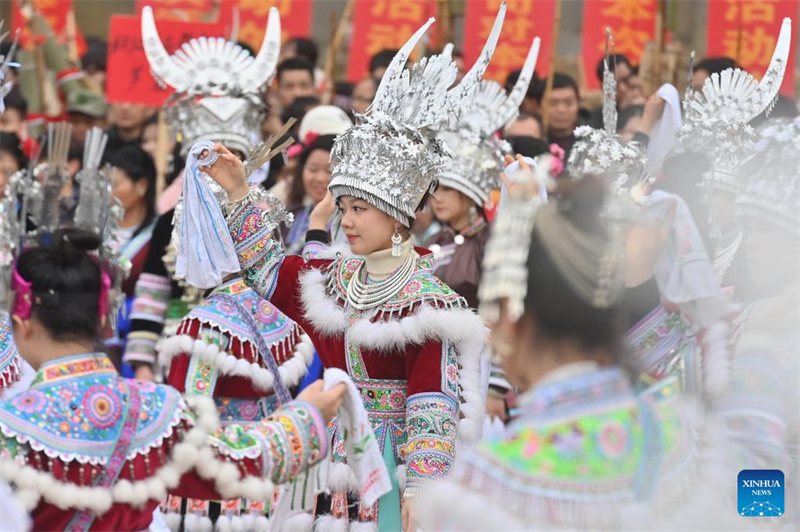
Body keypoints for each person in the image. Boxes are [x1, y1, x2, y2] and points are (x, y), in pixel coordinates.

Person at [201, 15, 504, 529]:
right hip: (318, 463)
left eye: (360, 209)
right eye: (344, 208)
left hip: (383, 468)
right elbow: (266, 273)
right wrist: (236, 191)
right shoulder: (333, 283)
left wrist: (422, 487)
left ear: (397, 213)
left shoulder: (428, 301)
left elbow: (431, 401)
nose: (347, 220)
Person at [419, 167, 744, 530]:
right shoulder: (682, 430)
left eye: (492, 308)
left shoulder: (485, 484)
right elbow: (759, 502)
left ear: (513, 316)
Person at [0, 228, 345, 531]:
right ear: (104, 318)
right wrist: (306, 415)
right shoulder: (155, 410)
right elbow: (241, 458)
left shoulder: (10, 425)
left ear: (23, 322)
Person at [544, 73, 582, 160]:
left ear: (579, 104)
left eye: (569, 103)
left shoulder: (593, 141)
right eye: (553, 103)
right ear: (539, 105)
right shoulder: (534, 140)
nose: (561, 110)